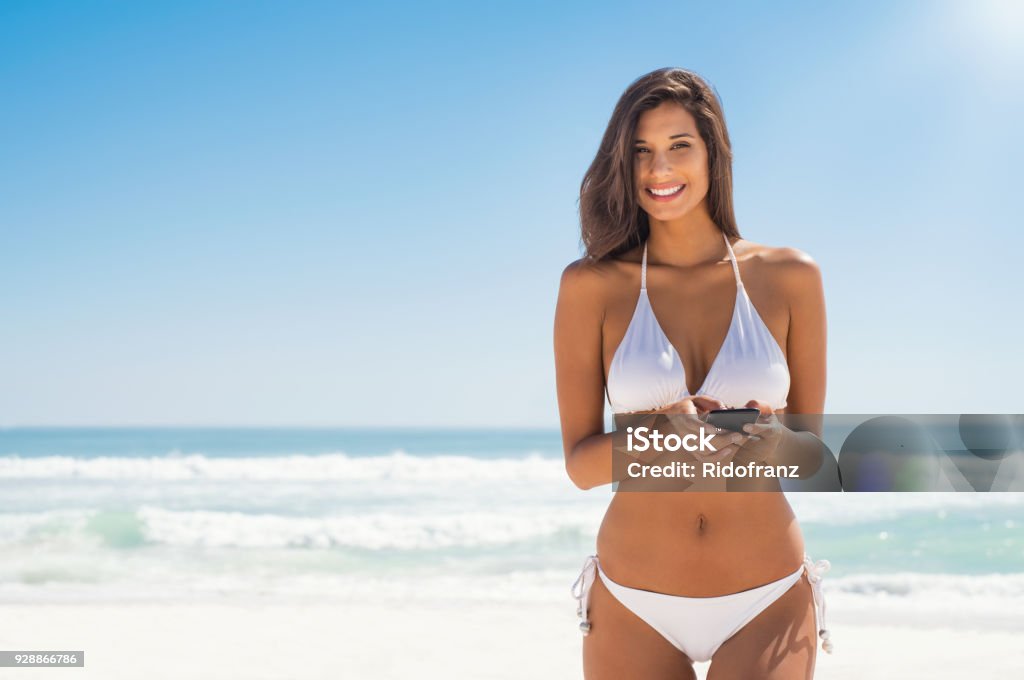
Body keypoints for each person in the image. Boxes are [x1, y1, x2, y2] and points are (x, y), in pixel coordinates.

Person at [554, 68, 831, 679]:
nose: (660, 170)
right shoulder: (591, 286)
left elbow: (811, 455)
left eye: (680, 145)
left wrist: (771, 442)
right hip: (634, 599)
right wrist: (658, 436)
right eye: (641, 152)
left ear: (713, 154)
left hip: (767, 594)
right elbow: (579, 465)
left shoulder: (790, 277)